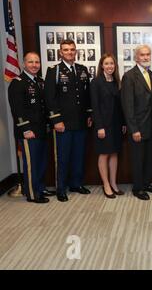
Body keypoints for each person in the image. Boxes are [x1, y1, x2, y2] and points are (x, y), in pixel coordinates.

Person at [45, 39, 92, 202]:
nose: (70, 52)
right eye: (66, 50)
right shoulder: (54, 71)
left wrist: (89, 115)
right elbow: (50, 98)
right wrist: (56, 120)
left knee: (79, 155)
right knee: (63, 157)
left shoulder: (82, 69)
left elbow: (86, 96)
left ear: (76, 51)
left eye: (72, 49)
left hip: (80, 122)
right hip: (63, 123)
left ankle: (76, 184)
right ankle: (61, 188)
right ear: (60, 52)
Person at [8, 52, 56, 203]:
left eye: (37, 62)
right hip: (28, 132)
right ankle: (32, 194)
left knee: (41, 162)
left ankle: (40, 187)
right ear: (24, 64)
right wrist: (26, 129)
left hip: (41, 129)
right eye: (31, 62)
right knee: (31, 164)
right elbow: (17, 109)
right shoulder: (18, 83)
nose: (34, 65)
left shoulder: (40, 82)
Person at [121, 45, 152, 201]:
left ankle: (146, 183)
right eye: (142, 55)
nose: (145, 57)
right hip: (137, 127)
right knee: (137, 159)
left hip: (150, 126)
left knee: (149, 158)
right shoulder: (129, 77)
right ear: (136, 57)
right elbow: (127, 106)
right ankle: (138, 188)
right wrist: (134, 129)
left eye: (148, 54)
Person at [90, 54, 126, 198]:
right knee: (104, 154)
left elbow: (120, 105)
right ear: (101, 66)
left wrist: (123, 123)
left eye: (112, 63)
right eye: (107, 63)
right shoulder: (96, 82)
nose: (110, 66)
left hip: (116, 124)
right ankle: (106, 185)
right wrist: (99, 126)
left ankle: (113, 183)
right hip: (103, 125)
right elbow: (95, 106)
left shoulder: (117, 81)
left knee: (114, 153)